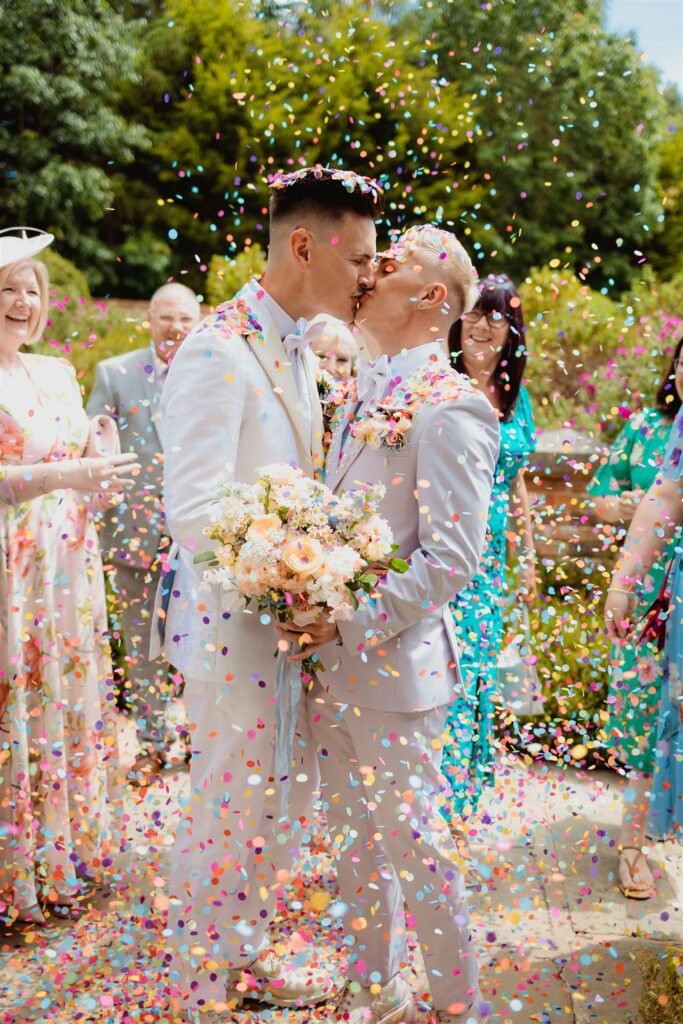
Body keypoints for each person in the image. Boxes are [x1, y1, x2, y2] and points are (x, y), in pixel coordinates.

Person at [155, 166, 384, 1022]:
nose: (369, 275)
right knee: (227, 802)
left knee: (280, 804)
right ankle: (195, 982)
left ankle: (243, 953)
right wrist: (285, 584)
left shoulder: (294, 348)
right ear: (303, 245)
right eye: (359, 256)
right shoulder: (217, 348)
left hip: (289, 634)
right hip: (233, 633)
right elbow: (196, 513)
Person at [279, 225, 499, 1024]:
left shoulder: (451, 410)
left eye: (394, 261)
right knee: (354, 847)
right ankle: (378, 993)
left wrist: (350, 623)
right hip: (331, 663)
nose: (372, 270)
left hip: (396, 670)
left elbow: (451, 559)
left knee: (416, 847)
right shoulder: (362, 393)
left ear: (432, 295)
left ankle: (457, 1005)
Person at [0, 228, 140, 926]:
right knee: (18, 699)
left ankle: (67, 852)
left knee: (68, 694)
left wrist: (99, 467)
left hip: (68, 560)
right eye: (8, 288)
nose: (22, 301)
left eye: (32, 290)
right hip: (12, 566)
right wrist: (66, 474)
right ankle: (15, 868)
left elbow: (79, 452)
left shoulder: (55, 370)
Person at [87, 283, 201, 784]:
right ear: (150, 320)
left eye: (184, 320)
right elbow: (93, 446)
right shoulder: (115, 374)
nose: (175, 329)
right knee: (141, 646)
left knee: (201, 644)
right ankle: (154, 745)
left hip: (199, 543)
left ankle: (201, 744)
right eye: (166, 318)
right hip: (134, 534)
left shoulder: (210, 374)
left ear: (196, 323)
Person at [441, 275, 537, 828]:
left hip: (491, 561)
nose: (481, 325)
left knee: (475, 674)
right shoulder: (443, 386)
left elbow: (517, 480)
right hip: (444, 549)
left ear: (511, 332)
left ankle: (460, 799)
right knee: (445, 671)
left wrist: (526, 558)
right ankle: (435, 795)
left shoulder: (515, 397)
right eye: (474, 314)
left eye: (495, 318)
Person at [589, 338, 683, 898]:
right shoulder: (659, 427)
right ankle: (634, 845)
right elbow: (662, 497)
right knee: (654, 722)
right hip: (661, 602)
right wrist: (624, 584)